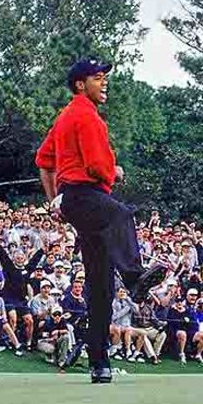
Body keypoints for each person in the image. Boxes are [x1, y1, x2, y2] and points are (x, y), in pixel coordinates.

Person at [35, 58, 145, 384]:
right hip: (86, 195)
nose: (104, 82)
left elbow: (44, 162)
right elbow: (99, 167)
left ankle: (100, 363)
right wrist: (116, 172)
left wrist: (53, 199)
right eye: (98, 78)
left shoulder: (64, 118)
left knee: (100, 285)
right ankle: (136, 277)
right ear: (81, 84)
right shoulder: (87, 117)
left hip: (75, 199)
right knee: (122, 214)